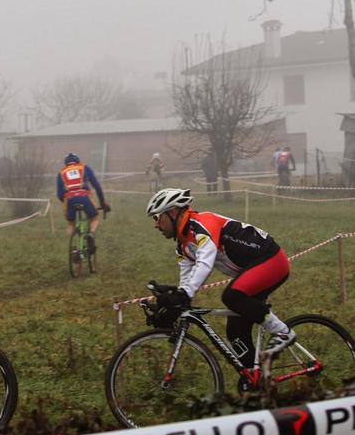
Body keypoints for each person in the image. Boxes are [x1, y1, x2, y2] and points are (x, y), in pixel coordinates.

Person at [146, 187, 295, 370]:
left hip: (272, 260)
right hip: (251, 273)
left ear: (173, 212)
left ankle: (283, 333)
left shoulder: (203, 223)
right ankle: (257, 382)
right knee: (235, 333)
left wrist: (184, 295)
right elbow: (186, 283)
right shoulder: (183, 246)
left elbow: (204, 263)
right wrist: (173, 304)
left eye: (157, 217)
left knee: (232, 296)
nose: (156, 224)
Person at [57, 153, 111, 242]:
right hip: (84, 197)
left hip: (69, 199)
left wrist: (67, 203)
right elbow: (97, 186)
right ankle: (91, 234)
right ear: (78, 161)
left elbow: (59, 194)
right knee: (94, 218)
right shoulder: (84, 168)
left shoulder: (61, 172)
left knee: (70, 224)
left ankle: (72, 246)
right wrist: (102, 203)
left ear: (66, 163)